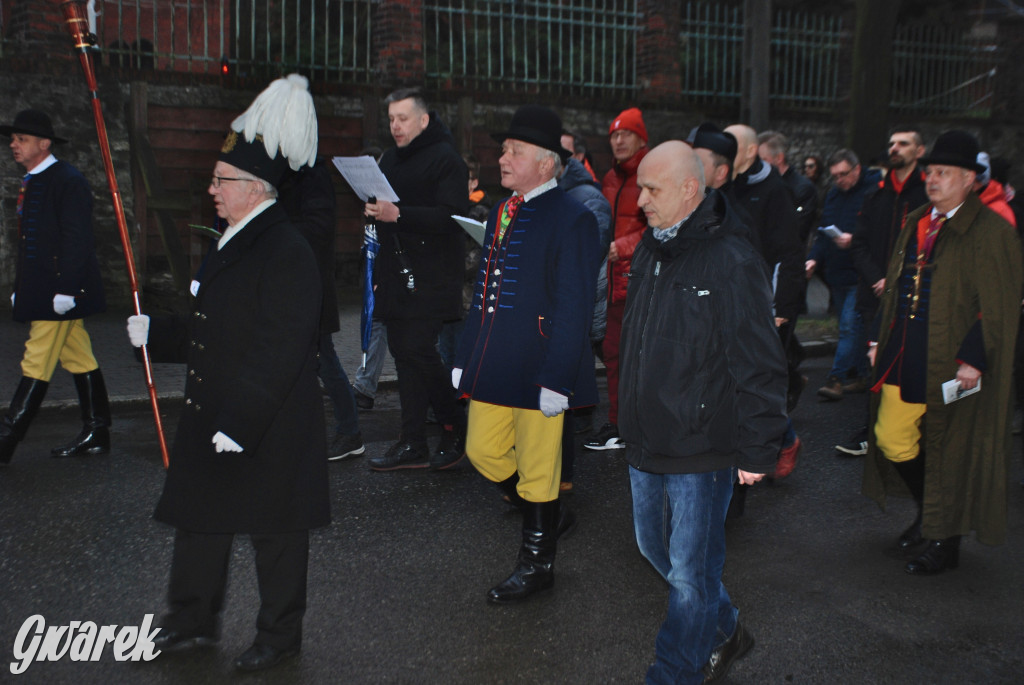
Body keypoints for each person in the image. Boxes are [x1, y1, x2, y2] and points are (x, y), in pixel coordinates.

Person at [127, 74, 330, 671]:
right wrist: (160, 335)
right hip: (216, 408)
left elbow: (281, 344)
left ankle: (278, 636)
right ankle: (190, 622)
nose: (211, 189)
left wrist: (241, 421)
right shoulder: (230, 238)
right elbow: (210, 321)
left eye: (221, 181)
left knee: (277, 533)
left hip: (265, 418)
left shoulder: (286, 250)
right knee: (200, 520)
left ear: (256, 188)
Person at [619, 141, 788, 683]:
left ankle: (674, 673)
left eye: (652, 189)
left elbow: (761, 362)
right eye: (640, 186)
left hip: (703, 443)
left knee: (690, 574)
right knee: (653, 549)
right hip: (646, 437)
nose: (640, 199)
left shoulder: (733, 260)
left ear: (690, 189)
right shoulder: (649, 249)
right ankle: (727, 628)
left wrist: (757, 447)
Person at [454, 105, 600, 604]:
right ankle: (549, 512)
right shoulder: (501, 210)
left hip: (541, 366)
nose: (502, 158)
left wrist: (560, 377)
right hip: (496, 360)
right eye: (503, 149)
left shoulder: (573, 218)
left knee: (540, 467)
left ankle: (537, 564)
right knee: (482, 450)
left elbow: (575, 306)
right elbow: (484, 291)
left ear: (545, 162)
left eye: (513, 151)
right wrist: (465, 353)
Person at [863, 129, 1022, 576]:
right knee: (893, 437)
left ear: (970, 179)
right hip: (907, 351)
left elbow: (1000, 302)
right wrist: (878, 338)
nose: (933, 179)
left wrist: (975, 358)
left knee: (951, 449)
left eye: (944, 173)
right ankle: (927, 513)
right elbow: (894, 289)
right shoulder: (917, 219)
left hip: (957, 360)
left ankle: (944, 540)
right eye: (930, 171)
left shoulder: (992, 230)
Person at [364, 87, 469, 471]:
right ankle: (411, 441)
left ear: (423, 121)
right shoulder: (390, 158)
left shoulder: (446, 160)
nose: (395, 126)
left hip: (431, 277)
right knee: (403, 355)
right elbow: (387, 211)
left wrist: (399, 214)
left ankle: (455, 427)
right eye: (391, 119)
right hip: (395, 273)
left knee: (419, 352)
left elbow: (453, 218)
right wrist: (374, 208)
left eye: (402, 118)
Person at [0, 109, 109, 465]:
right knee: (77, 355)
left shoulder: (67, 179)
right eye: (14, 139)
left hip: (60, 290)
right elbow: (29, 242)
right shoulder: (32, 179)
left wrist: (67, 290)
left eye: (21, 139)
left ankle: (6, 439)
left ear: (44, 144)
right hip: (43, 288)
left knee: (37, 358)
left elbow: (77, 240)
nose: (13, 145)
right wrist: (22, 287)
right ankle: (98, 431)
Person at [842, 127, 929, 456]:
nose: (894, 148)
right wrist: (878, 279)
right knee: (873, 366)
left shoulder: (926, 195)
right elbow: (859, 244)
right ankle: (872, 432)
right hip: (874, 296)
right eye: (891, 142)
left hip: (911, 299)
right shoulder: (875, 196)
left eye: (903, 143)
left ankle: (908, 434)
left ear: (919, 151)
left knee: (908, 365)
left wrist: (895, 282)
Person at [279, 157, 364, 461]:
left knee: (323, 359)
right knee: (297, 362)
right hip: (290, 284)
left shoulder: (311, 174)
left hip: (309, 286)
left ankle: (350, 430)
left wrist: (274, 228)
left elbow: (318, 228)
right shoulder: (283, 171)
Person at [585, 107, 649, 452]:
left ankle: (636, 424)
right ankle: (619, 423)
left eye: (626, 133)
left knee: (640, 358)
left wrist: (623, 247)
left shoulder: (651, 172)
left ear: (642, 138)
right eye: (614, 134)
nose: (619, 140)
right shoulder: (610, 178)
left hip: (640, 282)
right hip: (613, 283)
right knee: (613, 354)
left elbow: (662, 222)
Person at [556, 146, 613, 492]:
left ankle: (561, 477)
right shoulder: (544, 197)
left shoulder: (587, 198)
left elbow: (591, 255)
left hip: (580, 304)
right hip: (565, 308)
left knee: (589, 361)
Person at [807, 149, 881, 401]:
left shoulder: (874, 191)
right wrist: (814, 258)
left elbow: (878, 233)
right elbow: (822, 231)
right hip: (837, 272)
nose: (840, 180)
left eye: (844, 174)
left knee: (850, 327)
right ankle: (861, 375)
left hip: (859, 273)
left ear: (857, 169)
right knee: (851, 328)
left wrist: (855, 240)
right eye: (835, 176)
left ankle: (836, 378)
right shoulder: (834, 196)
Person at [758, 130, 819, 244]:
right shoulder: (761, 184)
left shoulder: (803, 189)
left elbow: (797, 231)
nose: (758, 164)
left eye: (763, 160)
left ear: (779, 158)